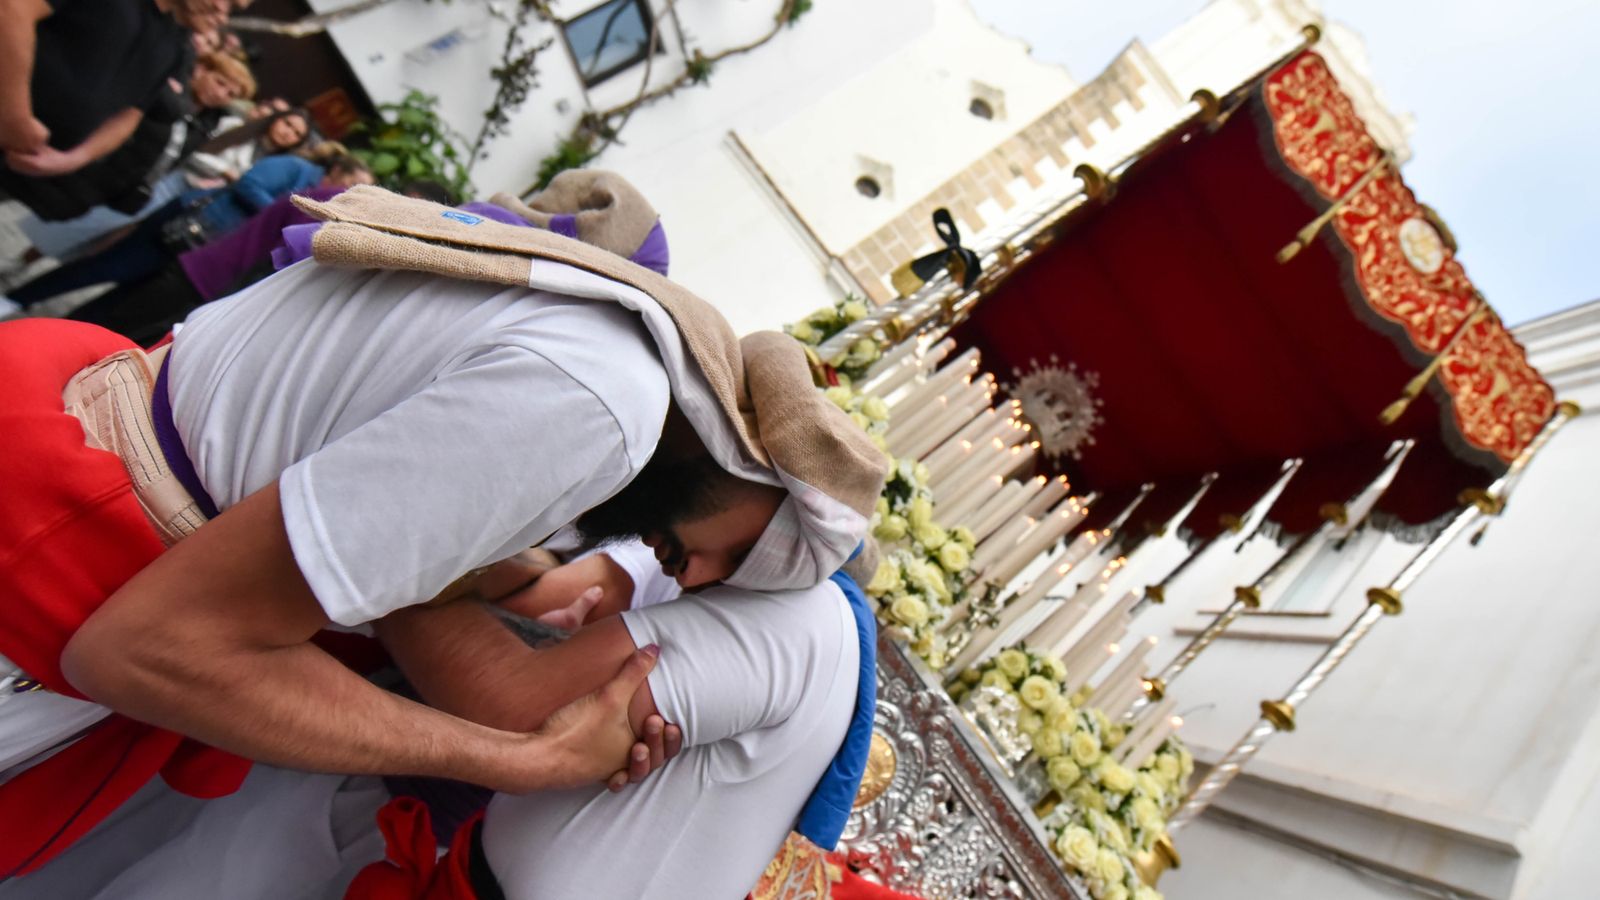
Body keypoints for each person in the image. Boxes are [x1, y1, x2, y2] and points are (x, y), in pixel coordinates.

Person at [0, 173, 886, 875]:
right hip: (52, 565)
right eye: (737, 554)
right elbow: (152, 649)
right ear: (750, 459)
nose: (690, 578)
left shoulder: (589, 327)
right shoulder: (600, 404)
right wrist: (517, 761)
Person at [1, 538, 879, 900]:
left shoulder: (784, 615)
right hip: (401, 799)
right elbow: (539, 600)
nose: (676, 555)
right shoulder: (699, 567)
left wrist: (385, 548)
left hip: (392, 797)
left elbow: (513, 705)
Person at [2, 151, 370, 316]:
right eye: (353, 181)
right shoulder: (296, 170)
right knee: (102, 267)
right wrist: (281, 213)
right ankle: (19, 298)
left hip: (208, 247)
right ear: (337, 170)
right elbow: (250, 184)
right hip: (192, 225)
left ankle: (45, 319)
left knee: (129, 294)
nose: (351, 192)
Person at [0, 0, 233, 217]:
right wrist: (15, 115)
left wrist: (72, 159)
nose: (222, 14)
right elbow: (13, 11)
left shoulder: (176, 44)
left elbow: (132, 112)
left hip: (22, 160)